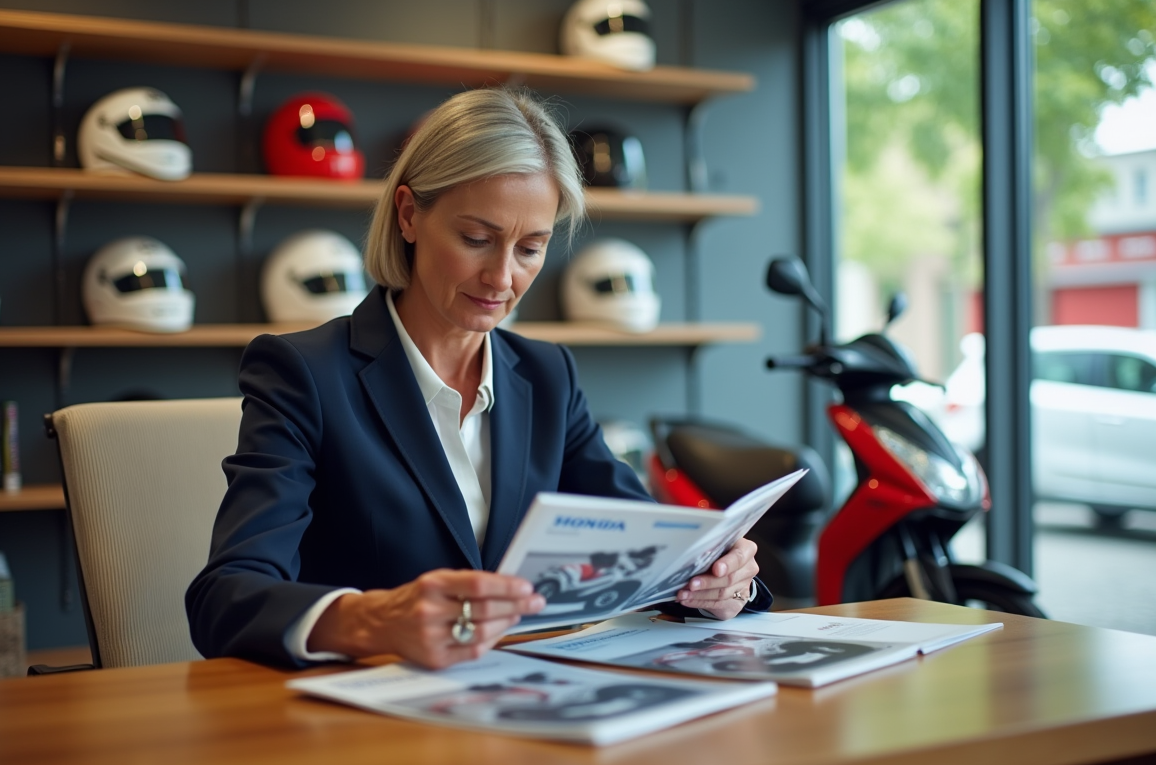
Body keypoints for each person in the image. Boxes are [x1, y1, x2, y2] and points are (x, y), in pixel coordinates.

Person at [185, 87, 770, 671]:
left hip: (524, 705)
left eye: (531, 248)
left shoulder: (548, 376)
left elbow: (653, 551)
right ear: (410, 214)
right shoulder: (304, 374)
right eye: (476, 239)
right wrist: (374, 618)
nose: (502, 277)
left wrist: (718, 580)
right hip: (366, 720)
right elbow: (226, 597)